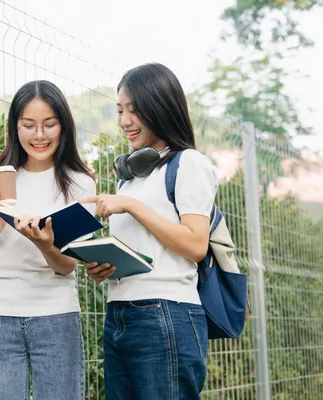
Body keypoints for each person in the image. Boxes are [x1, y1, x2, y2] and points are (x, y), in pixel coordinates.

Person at [82, 63, 218, 399]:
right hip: (119, 312)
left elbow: (196, 244)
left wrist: (131, 207)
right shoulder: (129, 179)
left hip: (165, 314)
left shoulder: (188, 164)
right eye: (119, 110)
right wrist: (105, 265)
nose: (124, 121)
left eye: (134, 109)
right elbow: (144, 252)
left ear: (160, 107)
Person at [0, 80, 96, 400]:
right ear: (15, 127)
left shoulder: (80, 184)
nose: (39, 136)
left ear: (63, 127)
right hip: (0, 316)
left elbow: (68, 267)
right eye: (29, 125)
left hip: (57, 316)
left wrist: (45, 244)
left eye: (49, 125)